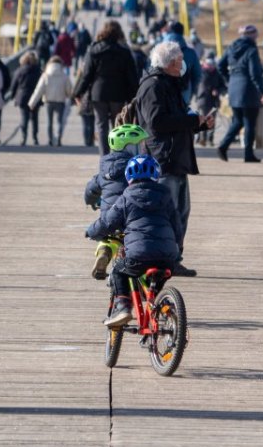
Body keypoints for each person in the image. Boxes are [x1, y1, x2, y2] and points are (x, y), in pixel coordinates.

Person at [134, 40, 214, 275]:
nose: (182, 66)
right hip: (162, 158)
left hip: (176, 158)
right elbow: (157, 122)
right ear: (168, 63)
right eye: (179, 62)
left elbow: (176, 119)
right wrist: (192, 121)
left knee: (180, 212)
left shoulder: (169, 84)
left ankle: (173, 258)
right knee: (167, 214)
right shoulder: (153, 87)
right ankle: (164, 260)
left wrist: (199, 125)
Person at [87, 154, 182, 327]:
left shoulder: (126, 197)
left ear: (129, 176)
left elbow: (107, 222)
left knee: (118, 271)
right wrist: (178, 250)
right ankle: (163, 310)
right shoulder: (166, 195)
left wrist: (91, 232)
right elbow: (177, 227)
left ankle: (123, 306)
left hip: (138, 254)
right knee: (155, 285)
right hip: (168, 256)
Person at [84, 124, 149, 279]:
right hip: (135, 218)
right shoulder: (139, 168)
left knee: (108, 238)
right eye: (139, 145)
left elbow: (91, 190)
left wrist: (91, 201)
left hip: (110, 218)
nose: (143, 148)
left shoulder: (105, 169)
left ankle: (104, 252)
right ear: (129, 148)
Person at [74, 20, 141, 154]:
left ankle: (104, 157)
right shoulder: (124, 52)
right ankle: (116, 155)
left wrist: (78, 92)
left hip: (98, 94)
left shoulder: (94, 50)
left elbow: (87, 74)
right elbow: (132, 77)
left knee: (101, 125)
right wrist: (135, 95)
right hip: (118, 94)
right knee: (117, 125)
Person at [217, 24, 263, 163]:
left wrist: (229, 80)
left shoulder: (231, 47)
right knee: (250, 123)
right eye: (256, 35)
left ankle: (223, 145)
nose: (256, 38)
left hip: (234, 88)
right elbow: (255, 73)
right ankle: (248, 154)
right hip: (248, 90)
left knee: (238, 120)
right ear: (251, 35)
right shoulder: (251, 50)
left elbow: (220, 65)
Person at [30, 55, 72, 146]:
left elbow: (39, 90)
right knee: (59, 121)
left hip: (49, 101)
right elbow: (69, 90)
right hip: (60, 101)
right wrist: (70, 97)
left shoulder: (45, 75)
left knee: (49, 121)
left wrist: (32, 103)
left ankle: (50, 140)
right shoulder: (64, 76)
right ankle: (58, 139)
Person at [163, 21, 202, 105]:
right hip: (184, 96)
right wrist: (191, 93)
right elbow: (197, 75)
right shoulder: (191, 53)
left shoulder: (158, 51)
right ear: (182, 33)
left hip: (162, 96)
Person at [11, 50, 42, 146]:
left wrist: (13, 95)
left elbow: (14, 84)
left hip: (22, 96)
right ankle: (35, 138)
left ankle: (23, 137)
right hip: (35, 97)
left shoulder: (20, 71)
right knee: (35, 118)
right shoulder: (38, 71)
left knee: (24, 118)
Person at [196, 53, 225, 147]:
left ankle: (209, 139)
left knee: (212, 120)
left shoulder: (217, 73)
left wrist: (217, 90)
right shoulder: (201, 71)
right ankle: (202, 138)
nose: (210, 65)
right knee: (203, 119)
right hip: (203, 99)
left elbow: (223, 86)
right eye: (208, 63)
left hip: (213, 101)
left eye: (212, 64)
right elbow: (200, 84)